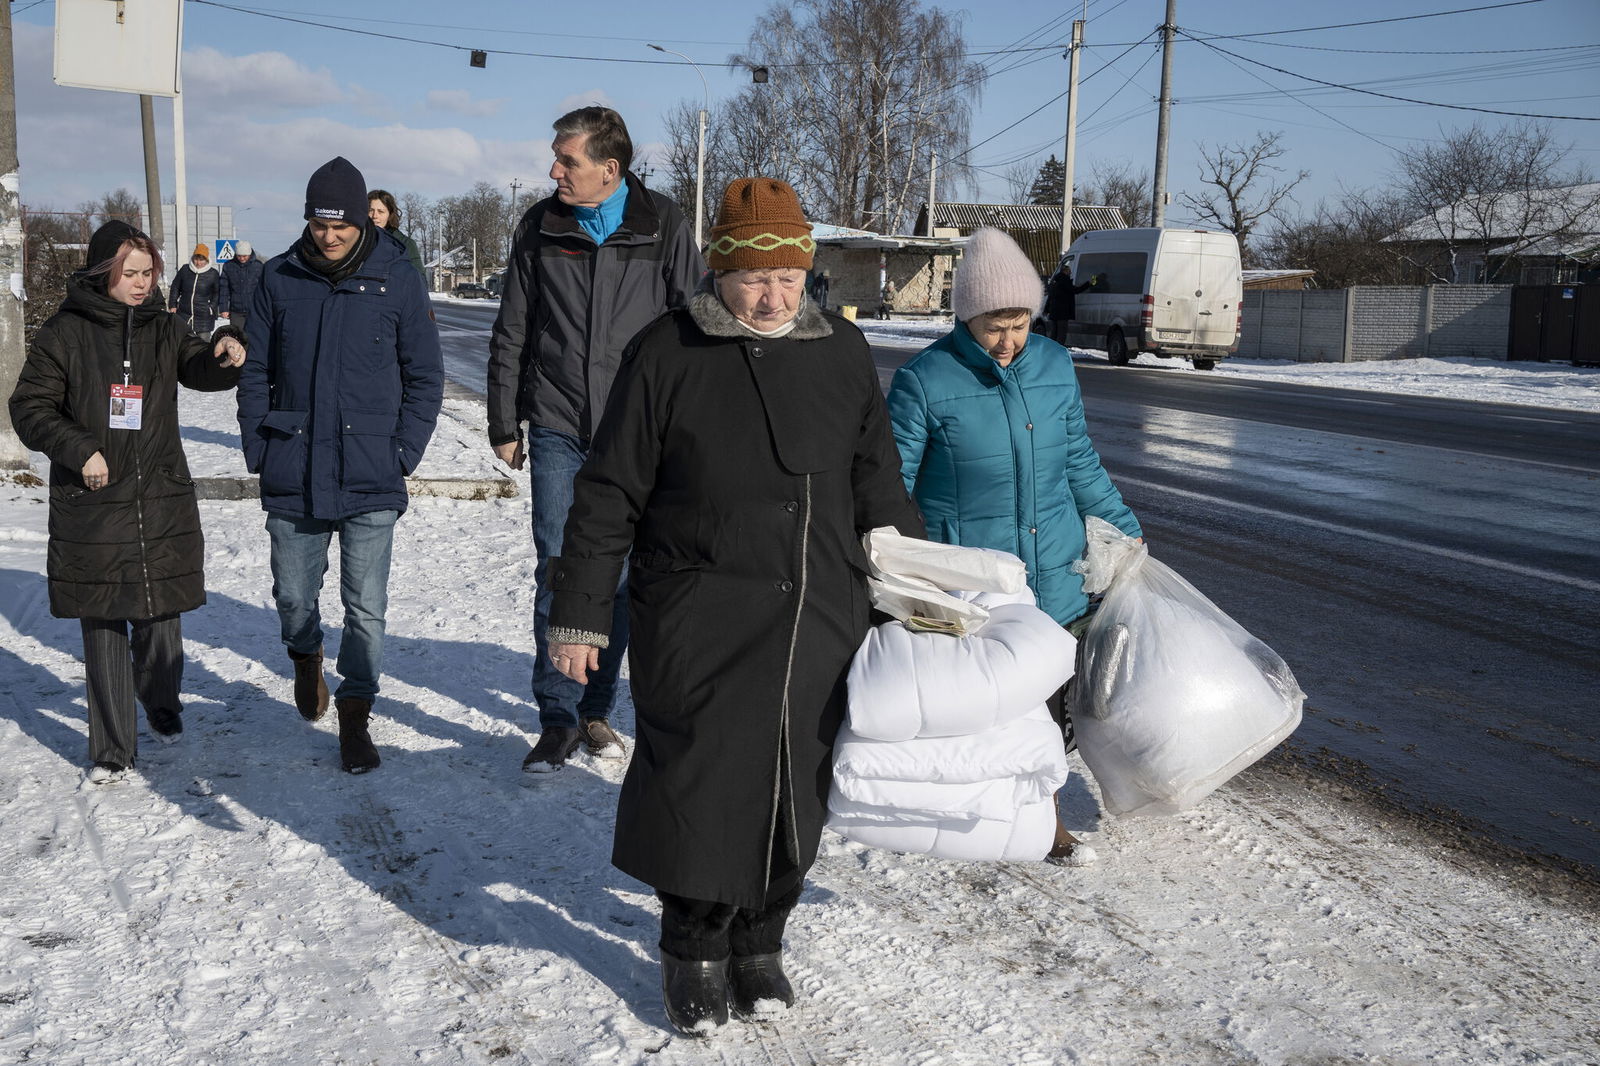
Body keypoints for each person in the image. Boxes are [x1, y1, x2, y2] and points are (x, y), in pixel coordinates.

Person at [547, 176, 924, 1036]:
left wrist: (918, 590)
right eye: (755, 277)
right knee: (701, 789)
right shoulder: (668, 352)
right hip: (699, 612)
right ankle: (694, 952)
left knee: (799, 784)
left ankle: (762, 942)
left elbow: (878, 481)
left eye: (789, 275)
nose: (773, 294)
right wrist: (578, 617)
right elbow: (607, 495)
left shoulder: (839, 351)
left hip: (818, 617)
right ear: (720, 271)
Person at [886, 226, 1141, 860]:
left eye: (1020, 323)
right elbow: (893, 482)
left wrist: (1123, 528)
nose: (1008, 341)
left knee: (1050, 705)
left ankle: (1044, 823)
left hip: (1053, 564)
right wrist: (897, 561)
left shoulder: (1054, 364)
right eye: (994, 326)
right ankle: (973, 817)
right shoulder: (924, 379)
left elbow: (1078, 459)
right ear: (967, 317)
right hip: (977, 578)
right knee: (992, 711)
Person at [486, 105, 703, 775]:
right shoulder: (541, 225)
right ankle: (557, 717)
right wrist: (503, 420)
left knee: (619, 574)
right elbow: (514, 328)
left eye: (568, 161)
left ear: (610, 170)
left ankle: (596, 707)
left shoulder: (662, 223)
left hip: (637, 436)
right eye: (556, 158)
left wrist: (688, 426)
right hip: (557, 425)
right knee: (558, 566)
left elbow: (693, 325)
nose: (555, 172)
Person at [8, 221, 246, 784]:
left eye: (148, 273)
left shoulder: (163, 329)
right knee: (105, 622)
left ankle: (161, 700)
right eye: (130, 274)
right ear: (103, 274)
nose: (142, 284)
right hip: (92, 498)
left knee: (162, 613)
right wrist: (80, 448)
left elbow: (197, 365)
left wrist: (224, 351)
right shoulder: (64, 334)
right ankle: (112, 750)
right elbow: (29, 408)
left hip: (159, 492)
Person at [237, 156, 443, 774]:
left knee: (366, 607)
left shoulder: (397, 279)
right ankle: (305, 657)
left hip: (371, 469)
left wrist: (403, 452)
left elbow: (425, 377)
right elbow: (255, 372)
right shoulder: (278, 278)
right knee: (295, 598)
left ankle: (356, 713)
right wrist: (259, 447)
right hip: (293, 466)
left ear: (361, 222)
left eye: (342, 227)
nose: (329, 236)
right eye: (319, 224)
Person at [367, 189, 427, 283]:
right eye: (370, 210)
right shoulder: (354, 243)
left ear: (390, 215)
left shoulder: (405, 245)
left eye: (381, 211)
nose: (375, 216)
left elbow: (420, 282)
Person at [168, 242, 227, 336]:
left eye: (202, 260)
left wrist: (211, 308)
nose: (198, 263)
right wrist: (173, 304)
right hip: (184, 314)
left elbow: (217, 293)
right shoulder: (185, 270)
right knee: (184, 345)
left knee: (203, 345)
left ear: (207, 260)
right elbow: (175, 287)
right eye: (196, 259)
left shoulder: (213, 274)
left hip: (204, 316)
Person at [219, 239, 265, 335]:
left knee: (254, 336)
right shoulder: (228, 266)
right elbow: (224, 288)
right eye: (239, 256)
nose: (242, 258)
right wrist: (223, 308)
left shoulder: (258, 266)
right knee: (237, 336)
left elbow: (263, 289)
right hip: (236, 311)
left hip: (254, 309)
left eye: (245, 256)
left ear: (249, 254)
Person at [1044, 261, 1095, 344]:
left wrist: (1046, 310)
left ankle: (1051, 351)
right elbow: (1076, 290)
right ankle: (1059, 352)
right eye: (1069, 271)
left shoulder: (1055, 282)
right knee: (1061, 335)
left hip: (1054, 313)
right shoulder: (1065, 281)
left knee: (1054, 333)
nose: (1070, 272)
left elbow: (1050, 297)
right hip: (1062, 313)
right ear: (1065, 271)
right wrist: (1088, 284)